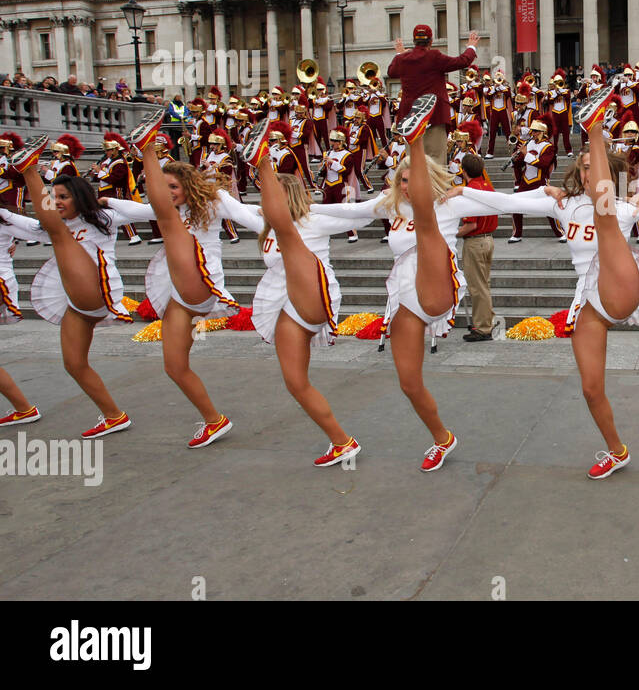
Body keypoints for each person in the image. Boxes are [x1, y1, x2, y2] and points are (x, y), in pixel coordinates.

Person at [446, 90, 639, 480]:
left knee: (606, 210)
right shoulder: (559, 202)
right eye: (581, 168)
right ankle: (617, 450)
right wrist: (464, 190)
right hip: (588, 296)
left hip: (619, 282)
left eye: (591, 167)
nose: (585, 174)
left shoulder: (627, 206)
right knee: (591, 389)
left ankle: (594, 126)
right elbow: (509, 203)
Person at [313, 105, 482, 470]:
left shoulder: (449, 202)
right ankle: (442, 438)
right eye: (401, 180)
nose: (406, 186)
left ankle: (416, 137)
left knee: (428, 229)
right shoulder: (389, 207)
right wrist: (297, 211)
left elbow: (507, 202)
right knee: (409, 382)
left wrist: (551, 193)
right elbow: (348, 213)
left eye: (412, 180)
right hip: (405, 296)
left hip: (437, 281)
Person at [231, 121, 368, 467]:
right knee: (295, 382)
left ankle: (262, 157)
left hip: (312, 289)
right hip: (282, 299)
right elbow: (230, 207)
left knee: (288, 234)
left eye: (268, 190)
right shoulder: (264, 224)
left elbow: (361, 212)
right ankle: (342, 442)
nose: (263, 197)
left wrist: (404, 195)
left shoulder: (314, 220)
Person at [112, 112, 244, 447]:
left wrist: (291, 223)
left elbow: (250, 217)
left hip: (202, 280)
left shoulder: (214, 202)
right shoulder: (164, 210)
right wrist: (99, 204)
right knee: (174, 365)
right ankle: (214, 420)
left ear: (187, 185)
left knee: (168, 223)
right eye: (164, 187)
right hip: (177, 293)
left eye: (173, 186)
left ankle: (147, 149)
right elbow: (134, 211)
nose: (168, 192)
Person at [14, 138, 139, 439]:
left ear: (79, 198)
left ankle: (28, 169)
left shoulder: (102, 219)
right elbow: (19, 223)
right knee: (73, 364)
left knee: (58, 234)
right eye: (54, 196)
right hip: (76, 303)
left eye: (63, 197)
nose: (57, 202)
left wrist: (109, 201)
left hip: (100, 290)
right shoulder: (53, 225)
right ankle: (114, 415)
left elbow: (149, 211)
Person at [387, 25, 479, 164]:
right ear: (431, 41)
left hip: (410, 118)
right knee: (436, 160)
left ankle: (415, 186)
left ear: (414, 41)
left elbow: (391, 72)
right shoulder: (434, 56)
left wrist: (400, 54)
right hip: (434, 115)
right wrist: (471, 47)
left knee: (413, 161)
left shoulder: (403, 59)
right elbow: (462, 61)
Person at [0, 206, 49, 426]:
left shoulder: (4, 215)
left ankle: (24, 408)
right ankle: (23, 408)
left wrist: (13, 239)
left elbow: (42, 230)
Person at [457, 153, 498, 342]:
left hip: (475, 241)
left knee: (477, 286)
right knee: (484, 283)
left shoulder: (470, 191)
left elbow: (470, 225)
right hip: (488, 238)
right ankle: (487, 320)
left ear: (464, 171)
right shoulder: (487, 186)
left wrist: (451, 233)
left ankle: (483, 328)